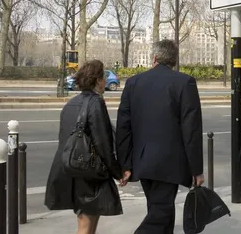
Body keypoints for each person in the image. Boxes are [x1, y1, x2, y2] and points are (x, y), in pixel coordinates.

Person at [116, 39, 204, 233]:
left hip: (142, 161)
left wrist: (125, 164)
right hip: (171, 163)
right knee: (160, 213)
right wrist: (196, 169)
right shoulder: (185, 82)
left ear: (154, 57)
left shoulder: (133, 83)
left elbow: (124, 127)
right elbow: (192, 131)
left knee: (160, 211)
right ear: (173, 60)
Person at [45, 59, 130, 234]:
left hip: (70, 168)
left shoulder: (71, 103)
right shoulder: (95, 103)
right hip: (89, 173)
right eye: (104, 77)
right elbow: (103, 144)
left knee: (87, 220)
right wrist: (117, 172)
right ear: (97, 80)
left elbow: (63, 138)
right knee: (86, 224)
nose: (106, 81)